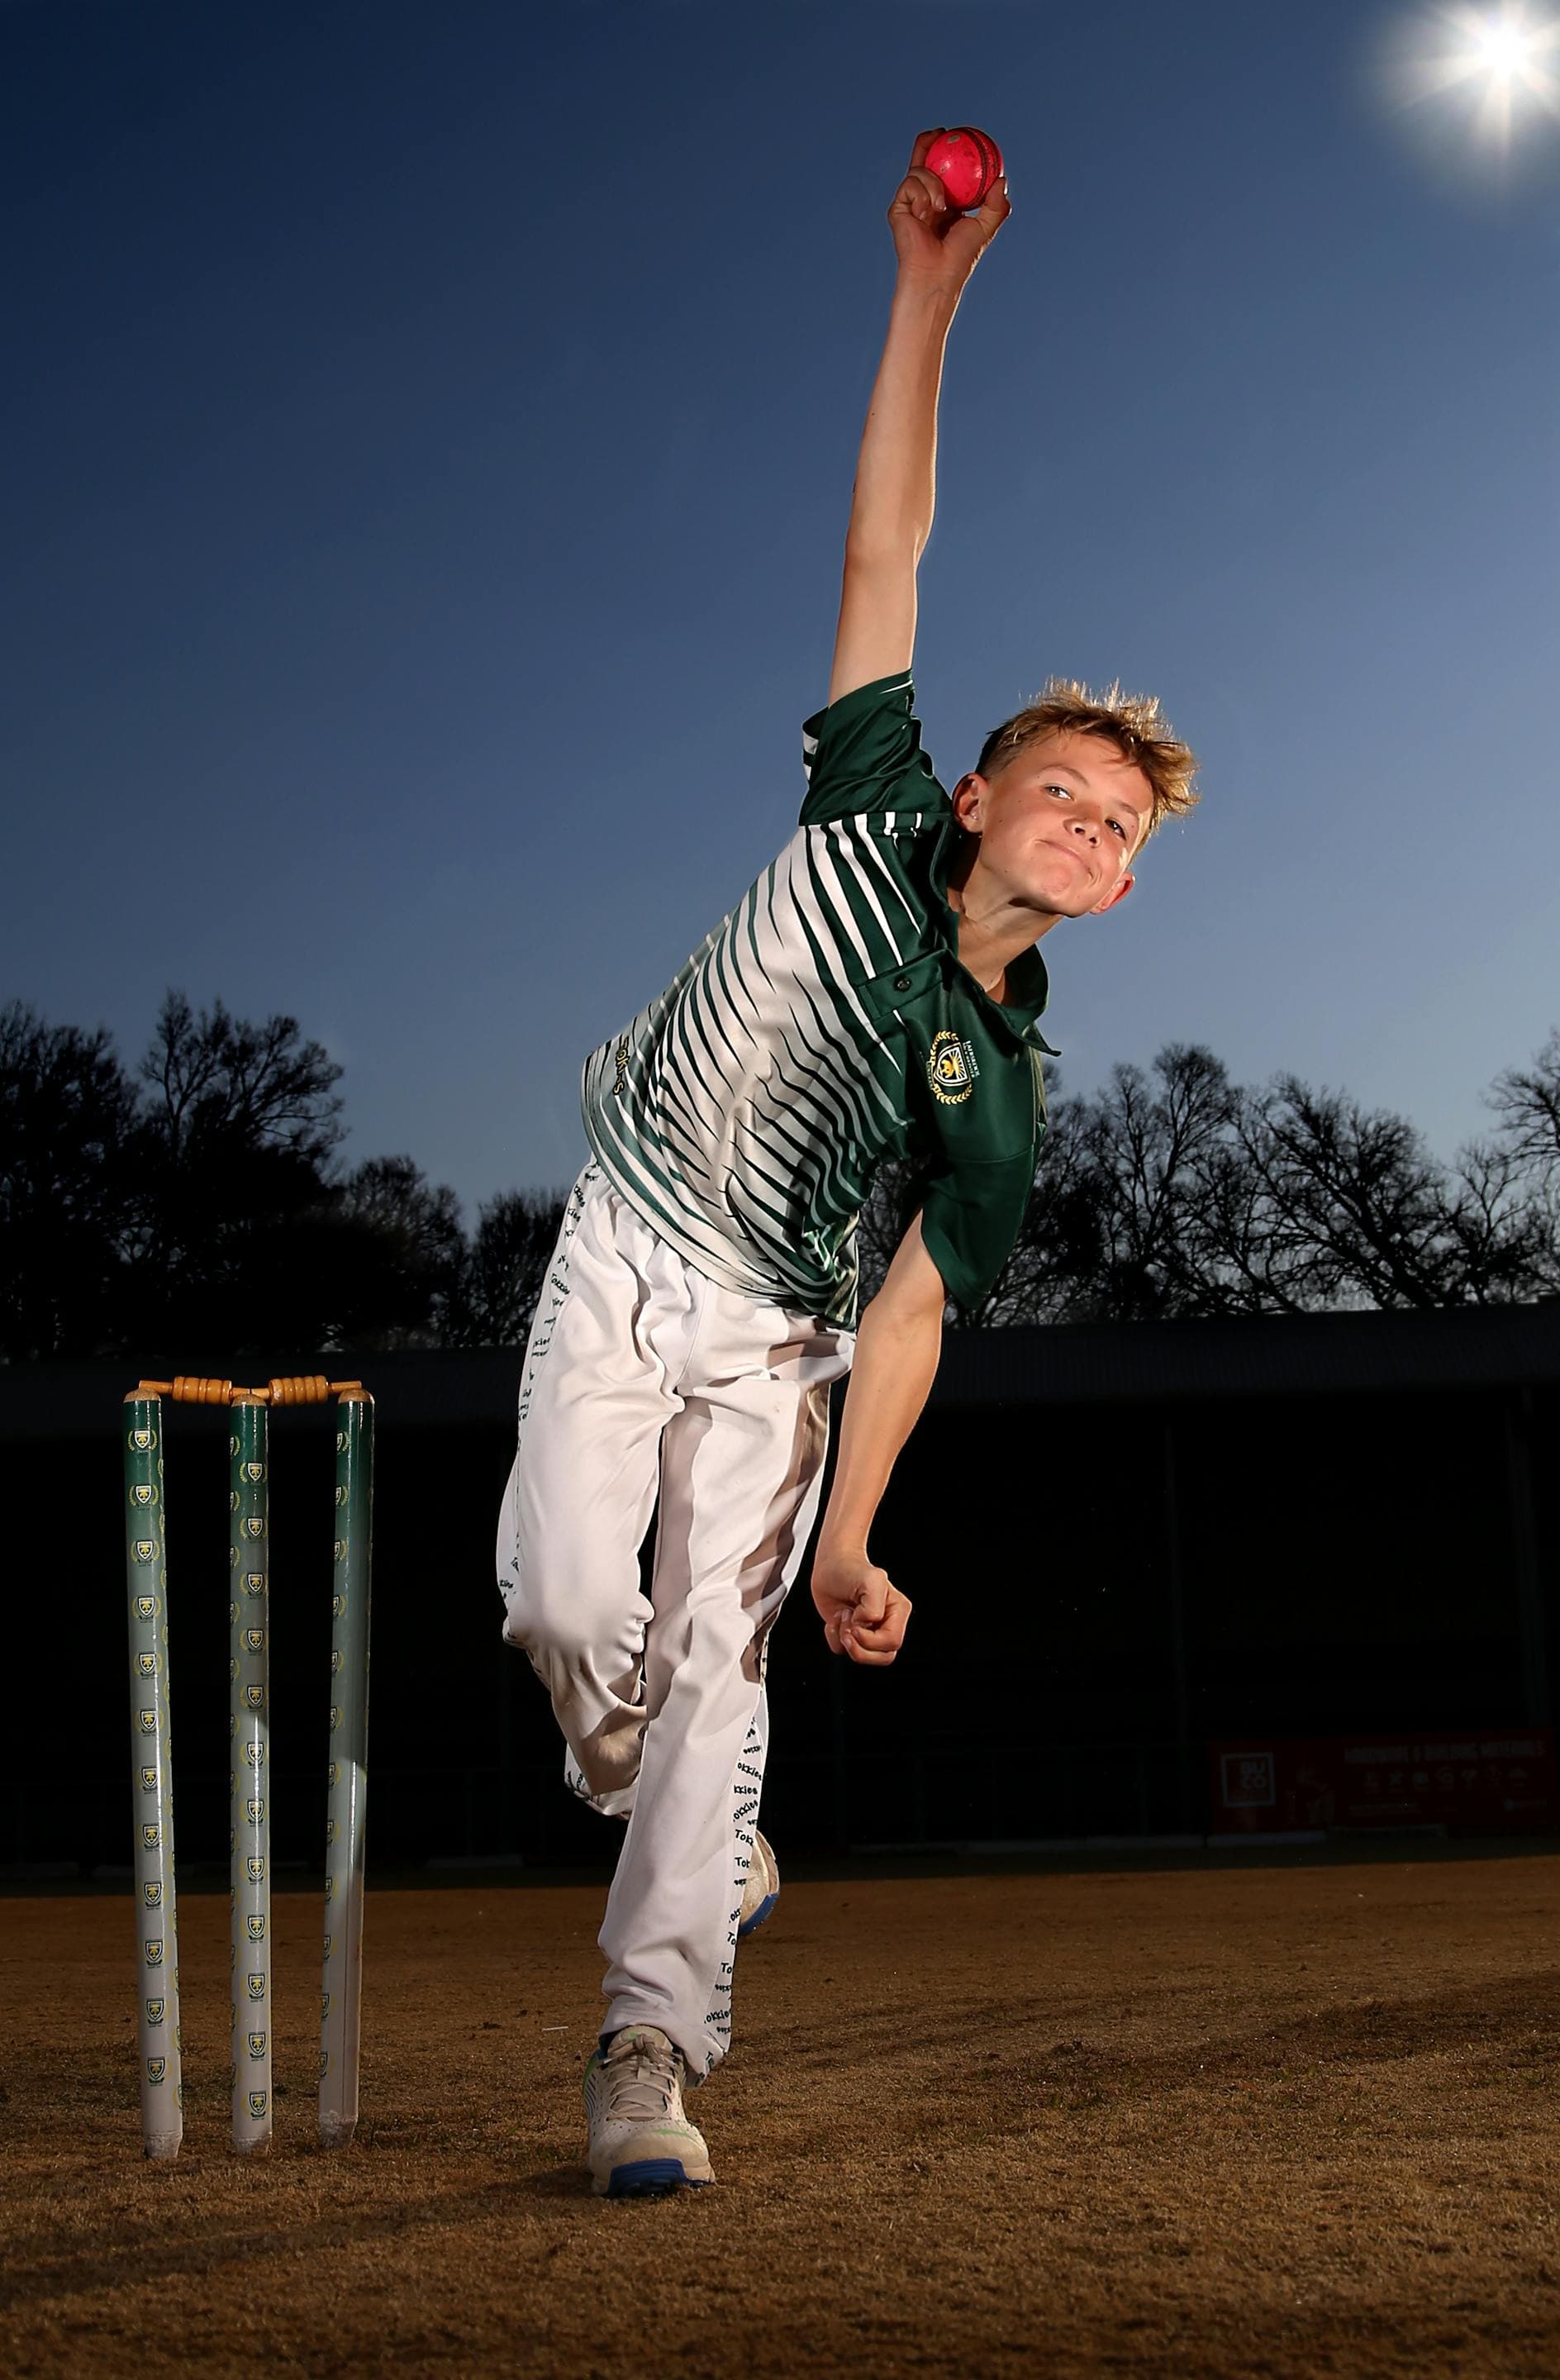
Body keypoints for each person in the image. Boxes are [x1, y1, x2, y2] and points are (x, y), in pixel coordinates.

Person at [495, 129, 1199, 2199]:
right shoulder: (870, 801)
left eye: (1118, 830)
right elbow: (885, 548)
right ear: (975, 794)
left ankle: (651, 2045)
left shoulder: (1003, 1093)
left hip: (781, 1344)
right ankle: (667, 1798)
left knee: (719, 1676)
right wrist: (928, 296)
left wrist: (849, 1534)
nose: (1086, 827)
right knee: (563, 1608)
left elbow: (909, 1318)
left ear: (1120, 888)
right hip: (627, 1242)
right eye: (1060, 789)